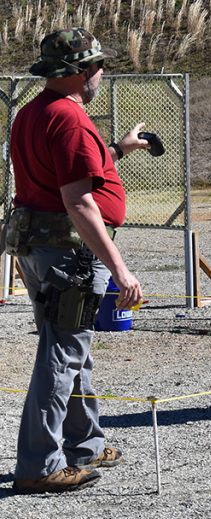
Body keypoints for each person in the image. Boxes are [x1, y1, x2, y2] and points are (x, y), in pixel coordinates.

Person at [7, 28, 148, 494]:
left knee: (72, 347)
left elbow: (66, 172)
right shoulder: (69, 118)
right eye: (97, 67)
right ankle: (39, 465)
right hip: (69, 253)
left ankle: (84, 444)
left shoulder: (32, 112)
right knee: (62, 352)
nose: (101, 74)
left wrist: (119, 150)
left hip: (40, 247)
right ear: (79, 72)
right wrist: (122, 269)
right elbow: (80, 202)